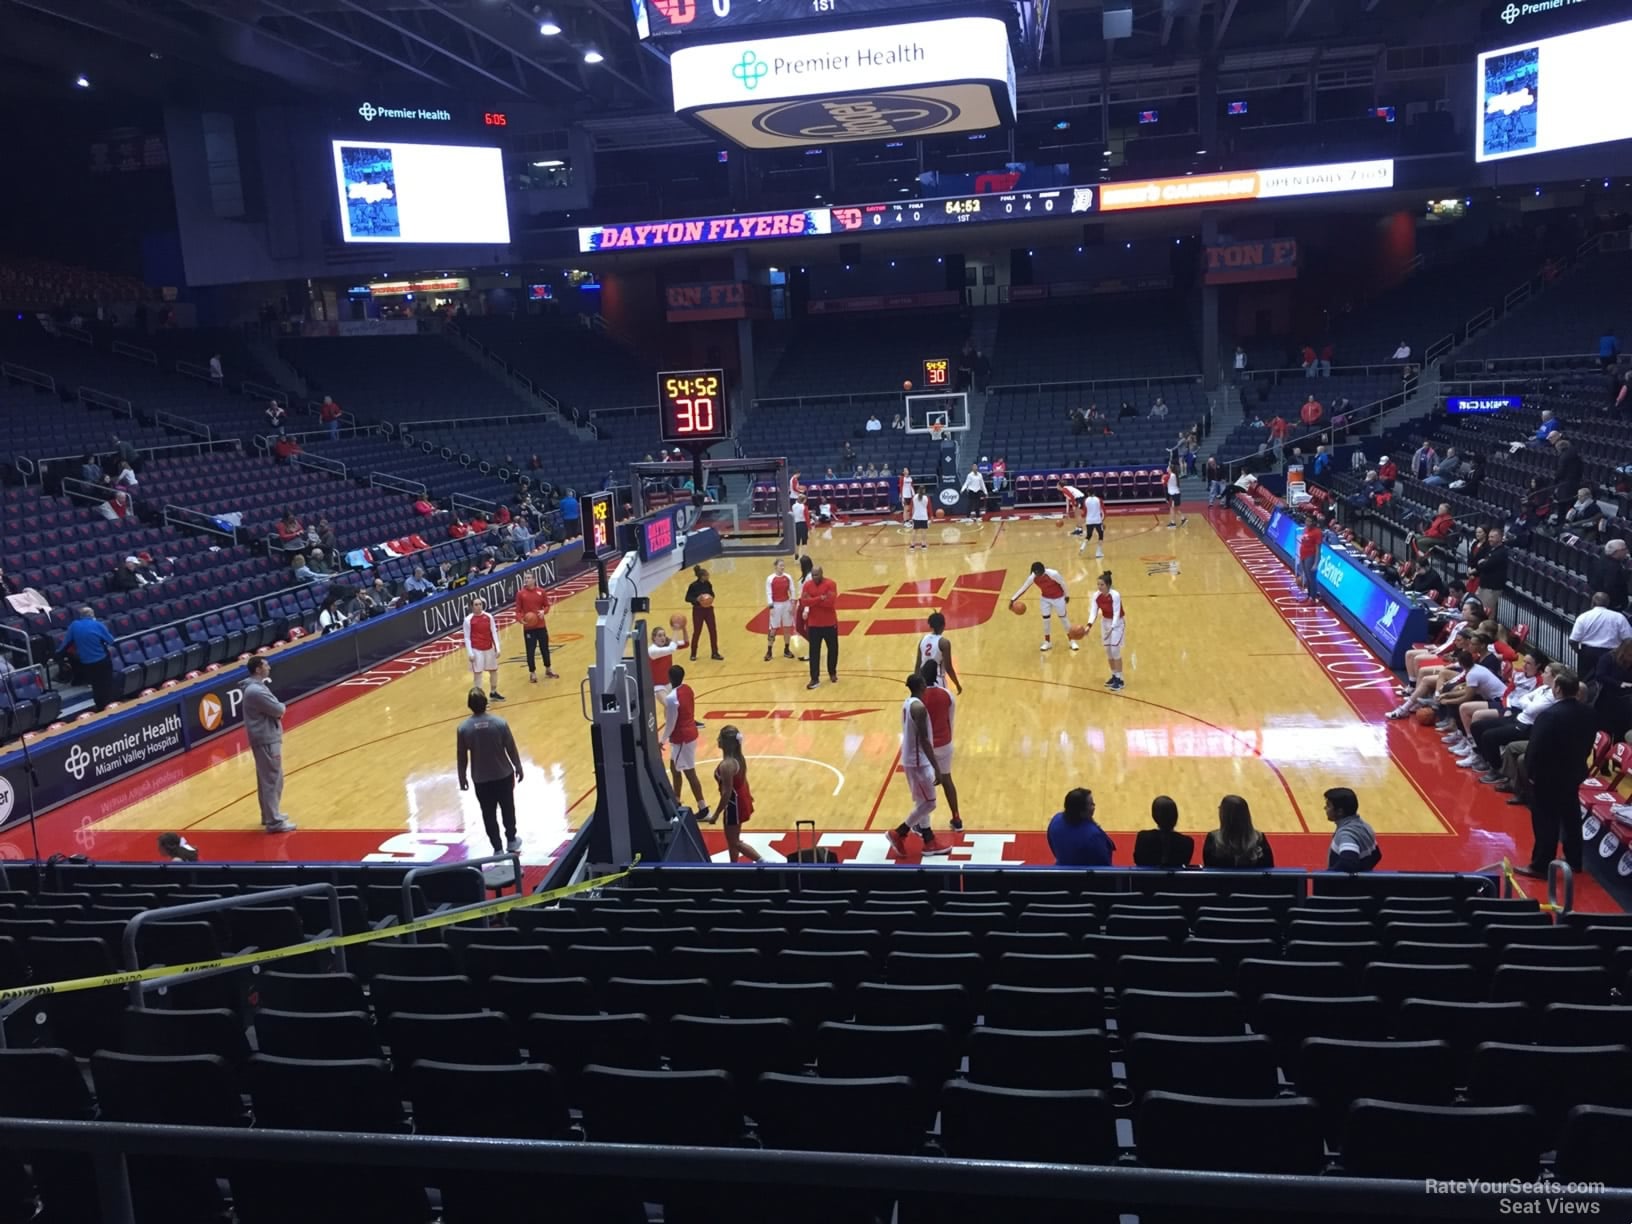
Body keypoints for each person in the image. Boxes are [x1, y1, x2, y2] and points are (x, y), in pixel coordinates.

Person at [1517, 671, 1596, 877]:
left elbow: (1535, 747)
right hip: (1574, 772)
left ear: (1558, 689)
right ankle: (1574, 860)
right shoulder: (1589, 712)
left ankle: (1541, 865)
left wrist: (1531, 773)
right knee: (1571, 817)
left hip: (1548, 775)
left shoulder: (1550, 715)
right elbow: (1589, 743)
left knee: (1546, 820)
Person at [884, 674, 951, 858]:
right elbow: (924, 741)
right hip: (918, 762)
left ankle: (929, 841)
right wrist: (937, 767)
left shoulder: (908, 703)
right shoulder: (919, 708)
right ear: (922, 685)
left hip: (912, 759)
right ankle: (900, 832)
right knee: (929, 803)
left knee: (922, 802)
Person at [456, 689, 524, 854]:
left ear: (469, 705)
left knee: (488, 814)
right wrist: (518, 766)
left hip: (481, 779)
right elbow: (511, 748)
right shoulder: (499, 723)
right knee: (508, 808)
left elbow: (461, 756)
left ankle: (497, 848)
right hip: (503, 775)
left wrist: (462, 777)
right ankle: (511, 840)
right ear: (486, 703)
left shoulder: (463, 729)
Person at [242, 656, 295, 834]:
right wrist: (281, 707)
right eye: (266, 665)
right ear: (258, 669)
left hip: (264, 737)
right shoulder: (256, 691)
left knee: (267, 779)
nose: (269, 667)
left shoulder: (256, 688)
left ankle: (269, 815)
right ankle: (274, 821)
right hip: (266, 738)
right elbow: (278, 709)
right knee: (273, 779)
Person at [698, 725, 762, 863]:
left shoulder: (727, 765)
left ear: (726, 742)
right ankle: (734, 865)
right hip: (741, 799)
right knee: (733, 839)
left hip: (733, 804)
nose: (717, 740)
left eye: (719, 737)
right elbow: (744, 780)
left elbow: (726, 793)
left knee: (734, 842)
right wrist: (748, 796)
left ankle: (764, 862)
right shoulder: (739, 758)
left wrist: (716, 814)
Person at [917, 658, 962, 833]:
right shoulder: (947, 694)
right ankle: (956, 818)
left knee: (924, 784)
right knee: (947, 779)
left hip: (926, 746)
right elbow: (950, 719)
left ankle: (923, 823)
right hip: (945, 743)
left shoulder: (918, 698)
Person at [1009, 561, 1075, 653]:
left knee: (1064, 619)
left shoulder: (1053, 574)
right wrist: (1012, 599)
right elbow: (1023, 588)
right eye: (1035, 573)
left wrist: (1066, 595)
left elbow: (1063, 583)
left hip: (1058, 598)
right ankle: (1047, 642)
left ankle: (1072, 641)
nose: (1037, 575)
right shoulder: (1032, 577)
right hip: (1045, 599)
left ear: (1043, 570)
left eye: (1039, 573)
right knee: (1046, 621)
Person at [60, 606, 117, 712]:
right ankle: (109, 707)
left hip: (87, 663)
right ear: (92, 615)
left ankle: (100, 708)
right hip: (102, 660)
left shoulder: (74, 625)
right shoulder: (98, 625)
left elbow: (65, 644)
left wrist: (57, 655)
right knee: (107, 684)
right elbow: (111, 641)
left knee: (96, 686)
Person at [1047, 787, 1114, 867]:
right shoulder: (1093, 836)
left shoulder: (1055, 820)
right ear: (1081, 812)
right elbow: (1104, 865)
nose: (1094, 806)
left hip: (1061, 869)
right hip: (1084, 874)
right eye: (1091, 804)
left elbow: (1052, 846)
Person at [1571, 592, 1632, 676]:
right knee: (1608, 679)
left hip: (1588, 653)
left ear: (1592, 603)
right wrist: (1620, 653)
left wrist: (1580, 652)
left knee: (1585, 680)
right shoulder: (1619, 617)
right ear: (1608, 603)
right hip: (1611, 654)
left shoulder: (1583, 616)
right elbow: (1628, 638)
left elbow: (1573, 640)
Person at [1203, 795, 1273, 868]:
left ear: (1223, 815)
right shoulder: (1259, 839)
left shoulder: (1213, 839)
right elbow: (1269, 868)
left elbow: (1208, 867)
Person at [800, 564, 840, 690]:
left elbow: (830, 603)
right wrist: (820, 598)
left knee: (833, 649)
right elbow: (804, 602)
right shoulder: (807, 585)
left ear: (822, 573)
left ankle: (832, 672)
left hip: (830, 623)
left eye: (816, 575)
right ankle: (814, 678)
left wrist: (813, 600)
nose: (814, 577)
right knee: (814, 652)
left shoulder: (831, 584)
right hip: (814, 625)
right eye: (813, 575)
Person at [1086, 571, 1126, 690]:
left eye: (1102, 584)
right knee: (1108, 651)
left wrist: (1112, 627)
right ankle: (1114, 675)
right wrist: (1089, 625)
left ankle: (1120, 679)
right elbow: (1093, 611)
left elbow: (1116, 612)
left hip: (1117, 623)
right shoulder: (1096, 595)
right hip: (1105, 623)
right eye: (1098, 584)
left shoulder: (1115, 595)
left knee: (1115, 650)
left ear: (1108, 585)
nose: (1099, 587)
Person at [515, 572, 558, 682]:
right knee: (530, 651)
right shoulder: (520, 594)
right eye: (525, 578)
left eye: (529, 578)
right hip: (529, 628)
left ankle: (548, 669)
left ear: (534, 580)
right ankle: (532, 673)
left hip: (541, 625)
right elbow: (518, 611)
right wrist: (520, 619)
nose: (526, 580)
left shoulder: (541, 591)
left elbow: (547, 605)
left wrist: (544, 612)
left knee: (545, 648)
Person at [1324, 787, 1379, 871]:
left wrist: (1328, 875)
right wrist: (1364, 872)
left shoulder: (1346, 834)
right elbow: (1376, 855)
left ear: (1340, 812)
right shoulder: (1365, 826)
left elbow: (1349, 862)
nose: (1325, 808)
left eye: (1328, 805)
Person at [463, 596, 504, 701]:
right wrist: (470, 653)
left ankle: (493, 692)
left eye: (480, 604)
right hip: (476, 650)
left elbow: (493, 632)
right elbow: (467, 638)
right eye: (476, 604)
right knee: (478, 674)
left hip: (489, 648)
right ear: (472, 606)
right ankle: (480, 698)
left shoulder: (489, 617)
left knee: (493, 671)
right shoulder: (468, 620)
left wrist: (497, 648)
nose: (479, 606)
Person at [1133, 796, 1193, 867]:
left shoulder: (1143, 837)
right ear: (1176, 816)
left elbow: (1138, 860)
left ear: (1154, 816)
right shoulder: (1187, 842)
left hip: (1146, 875)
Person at [916, 611, 962, 694]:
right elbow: (948, 668)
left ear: (930, 625)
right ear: (943, 625)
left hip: (923, 680)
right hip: (938, 680)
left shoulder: (922, 640)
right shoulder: (944, 643)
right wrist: (957, 684)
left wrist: (916, 683)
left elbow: (918, 665)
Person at [684, 565, 722, 662]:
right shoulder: (693, 586)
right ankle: (693, 654)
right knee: (697, 631)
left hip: (708, 609)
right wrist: (697, 599)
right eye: (707, 575)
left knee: (713, 631)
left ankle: (715, 652)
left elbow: (712, 594)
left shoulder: (708, 584)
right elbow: (687, 598)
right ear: (702, 576)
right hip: (698, 610)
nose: (708, 576)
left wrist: (710, 598)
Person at [764, 558, 797, 662]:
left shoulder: (788, 577)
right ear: (776, 566)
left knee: (787, 628)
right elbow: (769, 593)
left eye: (783, 565)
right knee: (773, 629)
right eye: (780, 565)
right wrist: (771, 607)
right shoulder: (770, 579)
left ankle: (787, 649)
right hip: (776, 605)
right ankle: (769, 651)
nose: (782, 567)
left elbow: (792, 590)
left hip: (786, 604)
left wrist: (793, 604)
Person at [1473, 525, 1509, 618]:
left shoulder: (1501, 552)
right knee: (1479, 609)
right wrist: (1482, 563)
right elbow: (1481, 562)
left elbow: (1485, 566)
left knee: (1487, 612)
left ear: (1500, 538)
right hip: (1484, 585)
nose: (1489, 539)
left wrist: (1482, 563)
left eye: (1492, 537)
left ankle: (1486, 627)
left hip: (1492, 588)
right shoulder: (1491, 549)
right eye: (1489, 537)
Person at [1297, 514, 1323, 603]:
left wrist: (1316, 563)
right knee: (1307, 577)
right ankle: (1309, 596)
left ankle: (1313, 598)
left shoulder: (1317, 532)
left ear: (1314, 522)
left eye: (1309, 521)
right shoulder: (1305, 529)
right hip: (1303, 556)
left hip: (1310, 556)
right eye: (1306, 521)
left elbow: (1318, 549)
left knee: (1312, 578)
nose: (1307, 523)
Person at [1081, 485, 1105, 557]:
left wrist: (1082, 515)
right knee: (1100, 536)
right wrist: (1102, 520)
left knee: (1089, 535)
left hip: (1089, 521)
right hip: (1097, 520)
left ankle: (1083, 546)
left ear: (1087, 493)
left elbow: (1084, 513)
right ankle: (1098, 552)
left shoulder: (1085, 500)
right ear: (1094, 492)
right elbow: (1103, 511)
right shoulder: (1099, 500)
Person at [909, 484, 931, 550]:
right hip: (924, 516)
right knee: (923, 531)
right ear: (924, 490)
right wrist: (931, 516)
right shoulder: (926, 498)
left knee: (914, 531)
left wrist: (910, 516)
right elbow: (929, 508)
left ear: (918, 490)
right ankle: (923, 545)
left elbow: (911, 507)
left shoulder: (914, 497)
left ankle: (912, 545)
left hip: (916, 516)